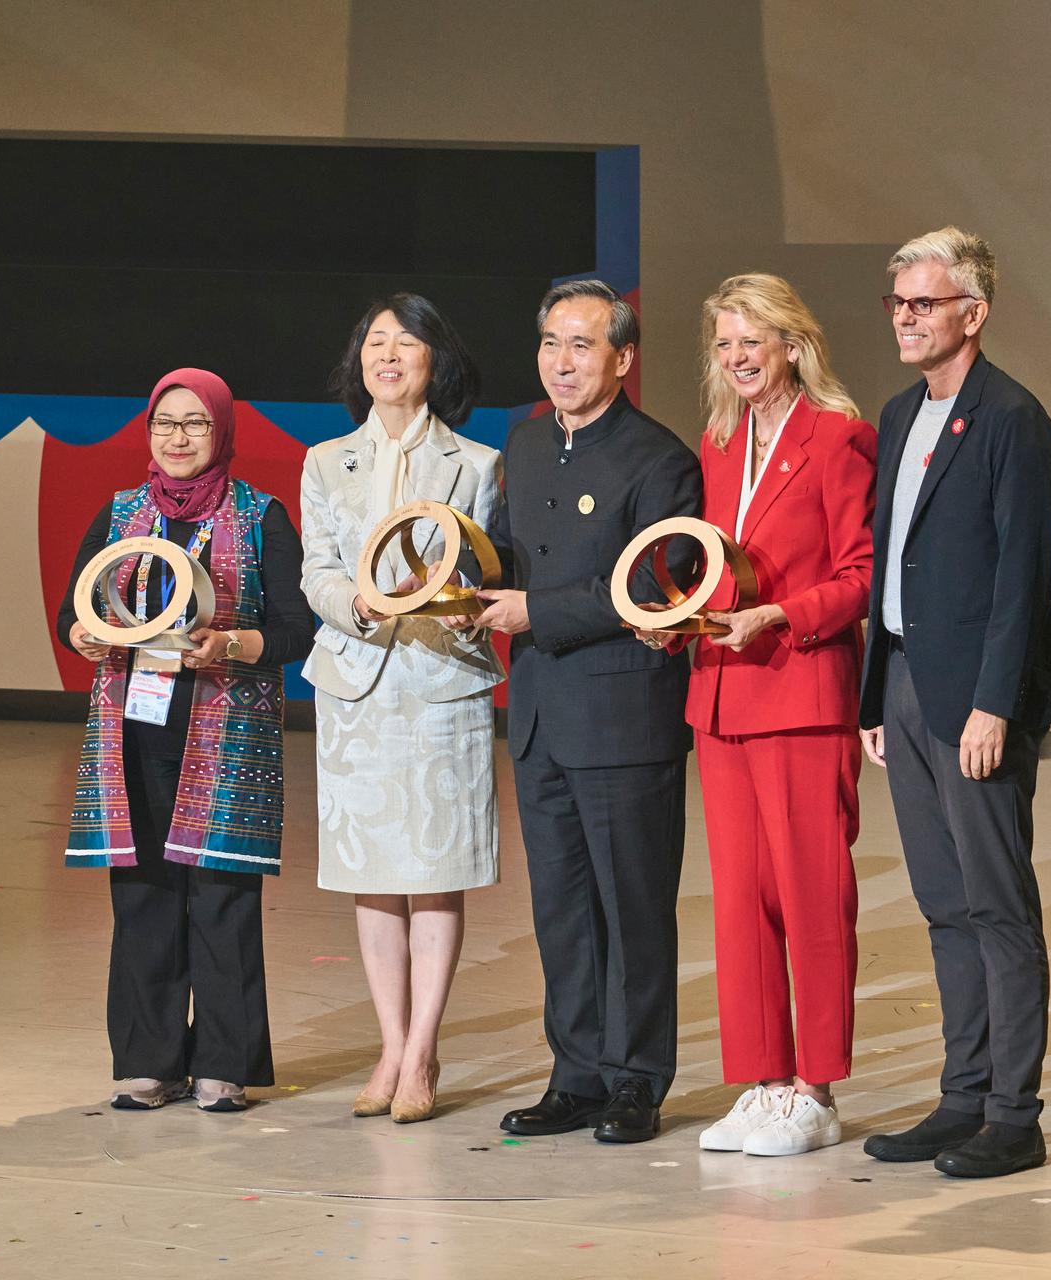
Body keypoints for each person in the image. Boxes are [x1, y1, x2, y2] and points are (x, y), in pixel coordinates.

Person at [857, 228, 1051, 1178]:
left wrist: (996, 706)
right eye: (898, 302)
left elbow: (1022, 579)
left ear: (971, 315)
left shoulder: (1013, 418)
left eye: (924, 304)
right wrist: (872, 696)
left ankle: (1015, 1117)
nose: (905, 317)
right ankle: (963, 1097)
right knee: (943, 903)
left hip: (975, 700)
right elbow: (888, 564)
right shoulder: (902, 414)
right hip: (903, 682)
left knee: (997, 905)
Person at [474, 279, 702, 1144]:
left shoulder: (659, 458)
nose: (561, 362)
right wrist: (457, 571)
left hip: (624, 717)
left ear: (622, 358)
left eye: (580, 345)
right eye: (549, 344)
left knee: (633, 905)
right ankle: (575, 1073)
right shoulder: (526, 444)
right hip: (538, 714)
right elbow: (507, 552)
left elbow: (652, 589)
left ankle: (638, 1079)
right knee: (563, 909)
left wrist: (538, 612)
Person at [60, 367, 315, 1113]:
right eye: (164, 423)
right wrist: (78, 632)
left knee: (222, 894)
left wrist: (231, 645)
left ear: (222, 433)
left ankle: (222, 1064)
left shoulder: (260, 515)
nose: (177, 438)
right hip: (134, 730)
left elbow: (297, 629)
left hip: (225, 731)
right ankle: (149, 1059)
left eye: (194, 424)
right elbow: (74, 607)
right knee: (142, 893)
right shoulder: (120, 516)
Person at [661, 274, 874, 1157]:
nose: (739, 357)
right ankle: (762, 1081)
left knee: (809, 896)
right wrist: (676, 619)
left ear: (793, 343)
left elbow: (861, 575)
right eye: (724, 343)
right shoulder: (718, 442)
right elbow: (716, 566)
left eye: (754, 340)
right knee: (740, 902)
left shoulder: (838, 439)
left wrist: (780, 615)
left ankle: (816, 1089)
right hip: (721, 694)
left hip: (799, 689)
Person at [299, 294, 504, 1125]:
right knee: (372, 879)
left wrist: (459, 604)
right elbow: (316, 569)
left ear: (435, 363)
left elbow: (484, 568)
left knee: (436, 874)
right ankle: (390, 1044)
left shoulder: (478, 463)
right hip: (356, 684)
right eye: (374, 342)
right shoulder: (325, 461)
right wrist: (357, 605)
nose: (388, 355)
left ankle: (423, 1052)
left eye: (406, 342)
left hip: (440, 682)